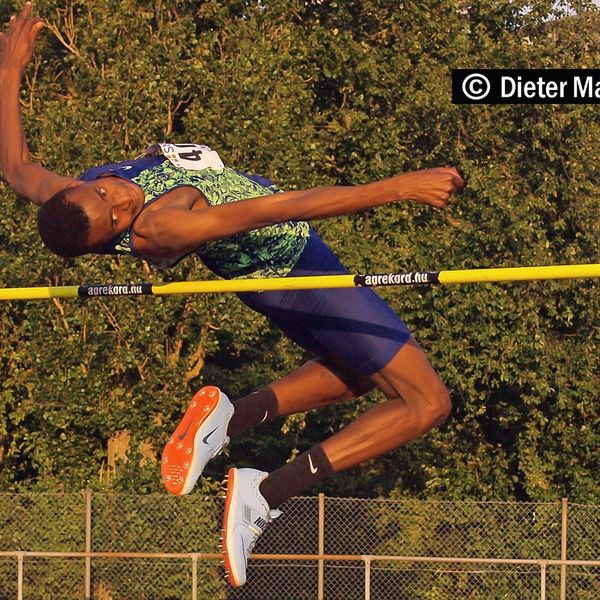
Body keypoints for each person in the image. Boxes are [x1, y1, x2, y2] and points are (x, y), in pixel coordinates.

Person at [0, 3, 464, 588]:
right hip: (296, 268)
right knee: (427, 404)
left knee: (359, 373)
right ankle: (265, 492)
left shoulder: (72, 197)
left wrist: (9, 70)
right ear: (111, 239)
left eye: (109, 192)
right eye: (116, 216)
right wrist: (395, 188)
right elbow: (282, 206)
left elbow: (15, 167)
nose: (122, 199)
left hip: (279, 277)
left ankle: (225, 418)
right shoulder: (160, 228)